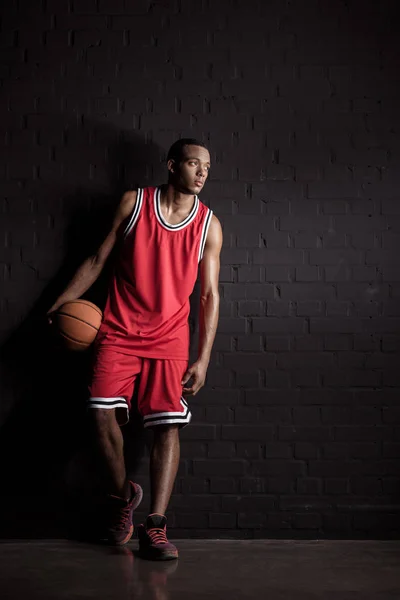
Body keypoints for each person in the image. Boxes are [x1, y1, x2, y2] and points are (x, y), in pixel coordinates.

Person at [48, 138, 223, 561]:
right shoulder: (134, 203)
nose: (202, 172)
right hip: (119, 330)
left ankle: (156, 527)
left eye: (207, 167)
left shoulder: (209, 225)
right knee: (99, 411)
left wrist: (203, 357)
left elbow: (209, 295)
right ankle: (124, 495)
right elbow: (97, 259)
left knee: (167, 427)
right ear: (171, 165)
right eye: (194, 164)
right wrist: (59, 303)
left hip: (169, 339)